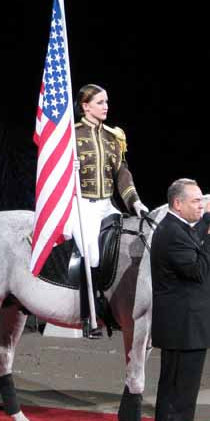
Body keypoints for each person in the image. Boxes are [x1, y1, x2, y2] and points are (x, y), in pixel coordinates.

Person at [150, 178, 210, 421]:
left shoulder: (179, 227)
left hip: (190, 329)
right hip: (182, 329)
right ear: (177, 203)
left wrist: (208, 218)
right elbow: (198, 269)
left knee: (185, 397)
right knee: (175, 397)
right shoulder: (171, 233)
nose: (201, 205)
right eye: (196, 201)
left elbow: (194, 233)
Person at [72, 84, 148, 338]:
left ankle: (114, 304)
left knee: (123, 245)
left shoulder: (114, 136)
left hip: (107, 205)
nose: (106, 106)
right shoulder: (71, 135)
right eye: (100, 102)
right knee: (91, 254)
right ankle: (88, 316)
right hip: (81, 205)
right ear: (85, 106)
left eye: (107, 102)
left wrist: (134, 201)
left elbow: (122, 175)